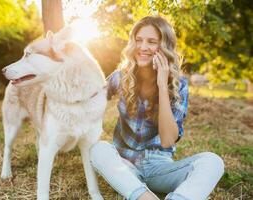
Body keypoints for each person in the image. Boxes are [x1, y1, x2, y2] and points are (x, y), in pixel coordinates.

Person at [89, 16, 224, 200]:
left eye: (151, 42)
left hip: (159, 167)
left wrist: (162, 85)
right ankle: (145, 197)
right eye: (138, 40)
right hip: (125, 166)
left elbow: (168, 140)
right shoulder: (120, 77)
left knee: (212, 162)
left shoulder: (179, 85)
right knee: (99, 149)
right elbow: (90, 102)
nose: (142, 47)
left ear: (165, 47)